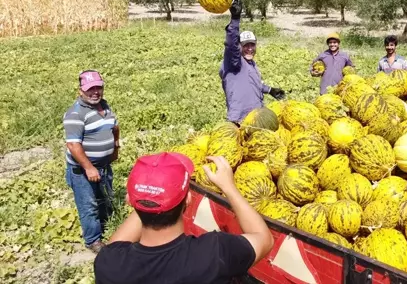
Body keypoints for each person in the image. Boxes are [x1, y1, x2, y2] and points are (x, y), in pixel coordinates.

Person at [93, 153, 274, 284]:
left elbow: (115, 244)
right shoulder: (215, 253)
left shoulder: (109, 264)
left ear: (129, 201)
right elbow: (263, 238)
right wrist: (229, 187)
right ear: (188, 200)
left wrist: (147, 193)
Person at [63, 70, 119, 254]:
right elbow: (73, 144)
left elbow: (114, 126)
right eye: (90, 89)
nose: (95, 92)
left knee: (104, 198)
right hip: (83, 171)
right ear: (80, 90)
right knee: (89, 205)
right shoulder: (75, 114)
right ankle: (93, 240)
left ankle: (107, 224)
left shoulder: (104, 106)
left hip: (104, 166)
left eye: (98, 87)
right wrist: (88, 167)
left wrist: (115, 147)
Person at [219, 0, 285, 124]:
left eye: (252, 45)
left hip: (256, 119)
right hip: (240, 121)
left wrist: (269, 90)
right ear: (239, 47)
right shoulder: (234, 63)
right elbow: (231, 45)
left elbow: (253, 83)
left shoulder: (252, 64)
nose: (249, 49)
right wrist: (235, 20)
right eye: (245, 46)